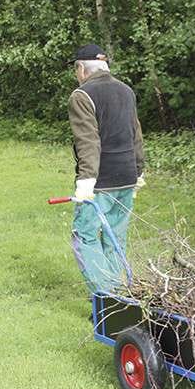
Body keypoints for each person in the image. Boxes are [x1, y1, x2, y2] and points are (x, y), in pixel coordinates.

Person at [66, 44, 145, 294]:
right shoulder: (126, 91)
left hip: (101, 181)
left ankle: (108, 300)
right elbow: (136, 135)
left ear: (81, 68)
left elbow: (88, 142)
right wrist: (139, 171)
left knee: (85, 237)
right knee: (115, 238)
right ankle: (119, 291)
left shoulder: (82, 95)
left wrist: (85, 183)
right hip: (127, 176)